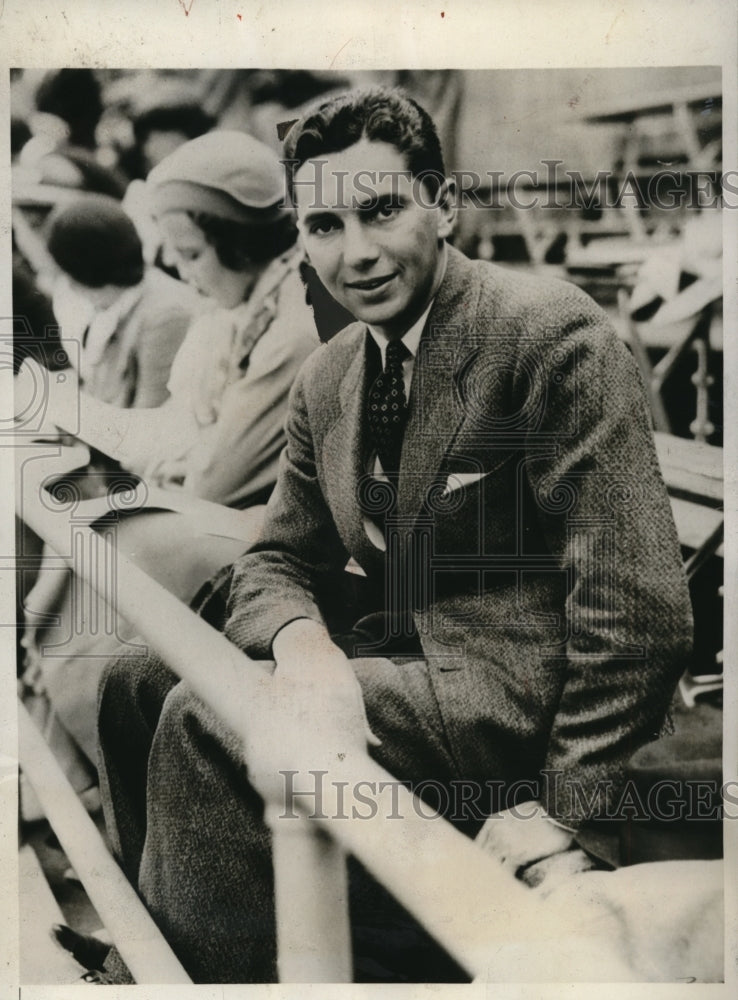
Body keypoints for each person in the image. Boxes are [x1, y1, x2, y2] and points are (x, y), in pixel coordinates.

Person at [91, 87, 692, 983]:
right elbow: (275, 557)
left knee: (208, 721)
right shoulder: (332, 372)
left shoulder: (547, 334)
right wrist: (305, 654)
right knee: (136, 678)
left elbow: (639, 606)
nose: (356, 252)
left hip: (517, 697)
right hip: (396, 667)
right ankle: (162, 957)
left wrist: (566, 810)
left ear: (443, 205)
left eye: (381, 211)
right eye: (325, 224)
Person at [18, 130, 321, 789]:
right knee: (80, 546)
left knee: (105, 545)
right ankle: (71, 774)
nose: (182, 271)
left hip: (289, 549)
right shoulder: (234, 307)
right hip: (232, 520)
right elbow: (176, 437)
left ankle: (79, 780)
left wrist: (63, 411)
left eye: (190, 253)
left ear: (238, 241)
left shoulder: (295, 322)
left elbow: (216, 473)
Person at [47, 194, 203, 409]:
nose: (67, 284)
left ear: (83, 273)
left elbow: (146, 422)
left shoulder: (165, 316)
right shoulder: (120, 303)